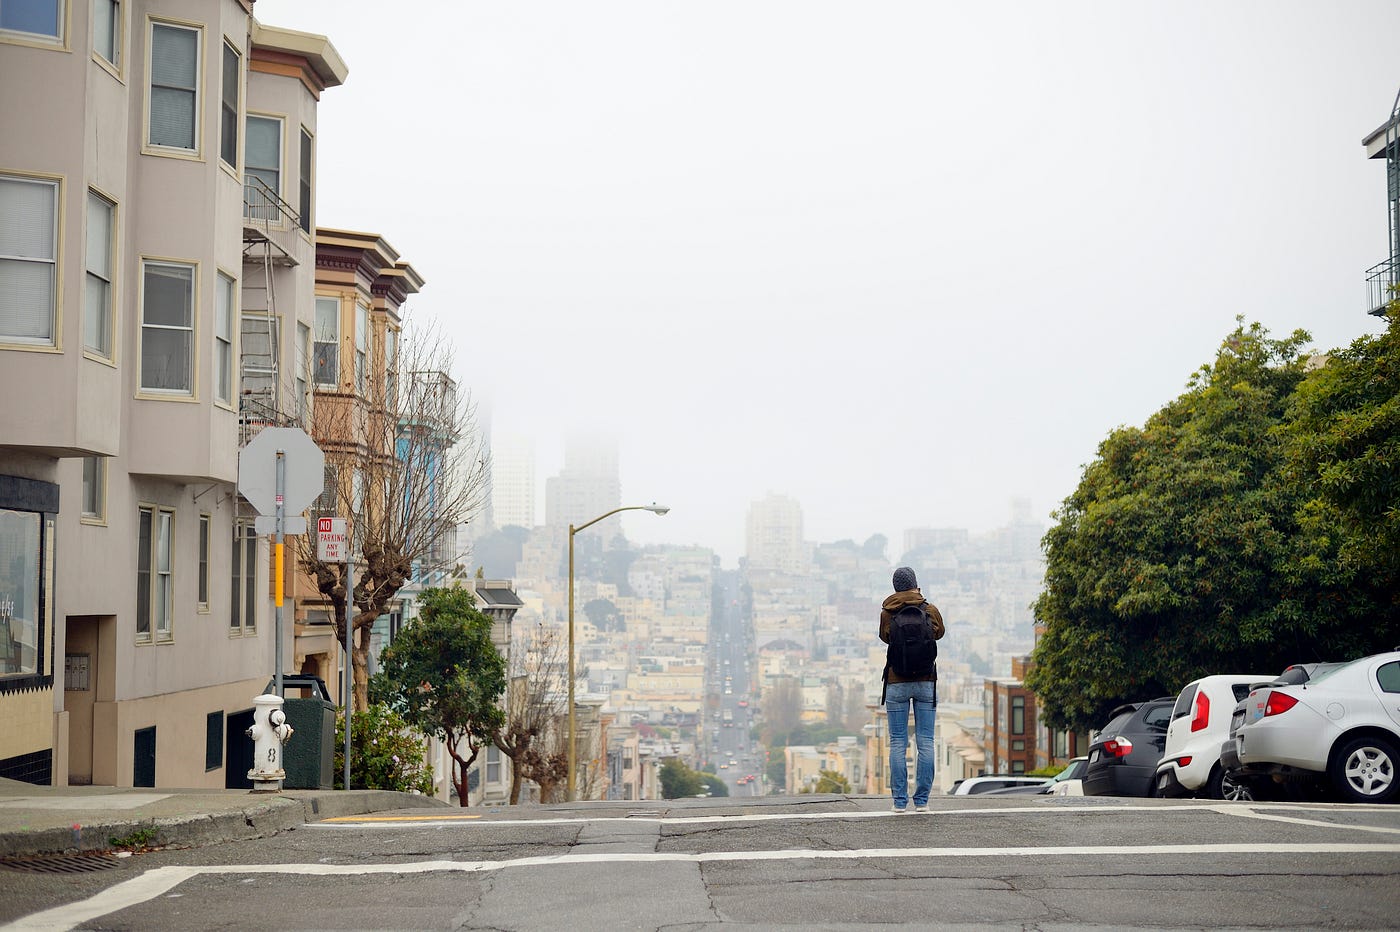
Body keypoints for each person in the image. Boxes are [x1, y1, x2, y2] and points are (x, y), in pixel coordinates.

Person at [879, 565, 945, 812]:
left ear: (895, 587)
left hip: (896, 682)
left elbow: (885, 637)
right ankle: (922, 801)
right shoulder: (929, 610)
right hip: (926, 680)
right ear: (915, 584)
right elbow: (940, 633)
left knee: (897, 742)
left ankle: (899, 801)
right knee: (925, 742)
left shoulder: (888, 612)